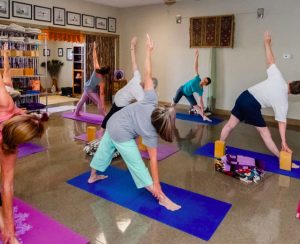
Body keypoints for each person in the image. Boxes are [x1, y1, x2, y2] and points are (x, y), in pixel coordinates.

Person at [88, 34, 181, 211]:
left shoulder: (151, 99)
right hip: (121, 131)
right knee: (137, 165)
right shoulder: (151, 133)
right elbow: (152, 163)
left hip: (114, 121)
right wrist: (158, 187)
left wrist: (148, 51)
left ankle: (92, 175)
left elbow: (148, 73)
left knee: (104, 150)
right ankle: (160, 198)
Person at [219, 32, 300, 167]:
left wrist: (267, 43)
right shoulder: (283, 102)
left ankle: (220, 148)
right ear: (295, 94)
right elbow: (282, 123)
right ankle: (282, 159)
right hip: (252, 104)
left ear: (291, 82)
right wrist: (284, 141)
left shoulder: (278, 77)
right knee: (265, 133)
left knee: (230, 125)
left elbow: (271, 61)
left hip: (244, 95)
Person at [0, 45, 45, 243]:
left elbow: (8, 184)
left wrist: (6, 55)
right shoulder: (6, 99)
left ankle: (7, 230)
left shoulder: (8, 98)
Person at [100, 36, 158, 132]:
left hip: (120, 97)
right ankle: (104, 131)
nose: (146, 83)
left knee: (113, 114)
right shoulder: (139, 87)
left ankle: (104, 130)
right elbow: (134, 62)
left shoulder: (138, 80)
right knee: (114, 116)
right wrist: (132, 46)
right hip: (121, 102)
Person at [172, 49, 212, 121]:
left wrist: (202, 110)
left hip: (189, 94)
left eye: (205, 82)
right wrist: (196, 57)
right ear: (203, 78)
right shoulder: (197, 78)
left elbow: (201, 101)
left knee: (196, 106)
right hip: (182, 90)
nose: (203, 81)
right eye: (204, 79)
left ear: (205, 84)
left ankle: (204, 117)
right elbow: (196, 67)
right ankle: (167, 113)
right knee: (174, 102)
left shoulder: (201, 90)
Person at [74, 42, 110, 116]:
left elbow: (94, 58)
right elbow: (102, 94)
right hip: (90, 90)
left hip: (87, 88)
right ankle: (104, 118)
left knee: (81, 101)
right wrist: (103, 104)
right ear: (106, 73)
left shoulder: (96, 69)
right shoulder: (102, 81)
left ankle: (76, 113)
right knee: (99, 103)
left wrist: (94, 48)